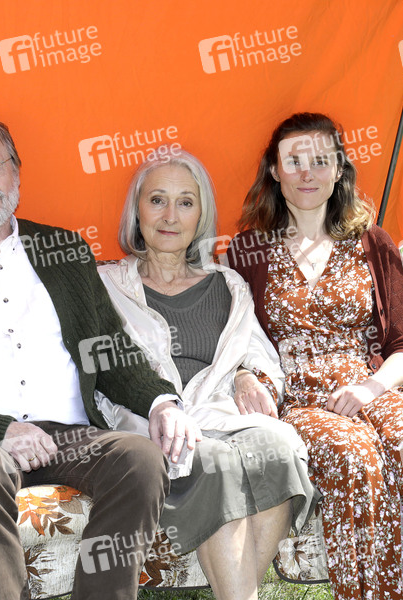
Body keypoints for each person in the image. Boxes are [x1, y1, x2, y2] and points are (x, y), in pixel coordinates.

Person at [0, 111, 201, 600]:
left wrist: (162, 403)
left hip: (71, 434)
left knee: (140, 458)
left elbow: (110, 351)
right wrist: (1, 430)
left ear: (16, 173)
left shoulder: (64, 250)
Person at [226, 112, 403, 600]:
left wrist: (370, 387)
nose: (306, 173)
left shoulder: (373, 242)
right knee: (354, 455)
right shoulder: (248, 251)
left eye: (320, 160)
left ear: (339, 169)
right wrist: (242, 375)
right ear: (274, 170)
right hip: (299, 397)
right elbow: (231, 337)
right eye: (294, 161)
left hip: (374, 383)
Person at [94, 147, 319, 600]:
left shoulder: (227, 285)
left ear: (201, 216)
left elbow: (259, 356)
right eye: (157, 200)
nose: (170, 215)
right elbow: (103, 367)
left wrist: (246, 376)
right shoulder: (107, 285)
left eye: (185, 202)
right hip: (148, 420)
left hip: (219, 411)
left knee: (279, 449)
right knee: (215, 460)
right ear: (136, 211)